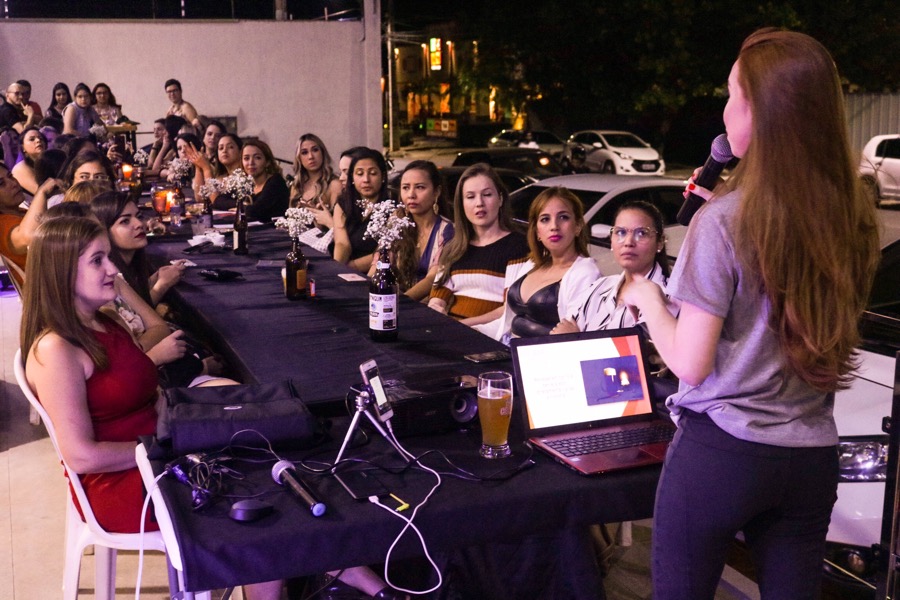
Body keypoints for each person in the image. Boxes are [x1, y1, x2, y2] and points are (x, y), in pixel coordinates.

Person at [621, 29, 881, 599]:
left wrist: (647, 299)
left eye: (733, 95)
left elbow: (691, 362)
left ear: (763, 111)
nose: (723, 110)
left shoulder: (724, 222)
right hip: (811, 456)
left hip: (723, 454)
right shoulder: (851, 215)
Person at [18, 216, 287, 600]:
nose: (113, 269)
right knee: (264, 501)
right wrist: (171, 448)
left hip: (154, 454)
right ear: (62, 273)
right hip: (124, 483)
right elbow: (81, 457)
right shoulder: (56, 350)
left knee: (273, 456)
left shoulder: (103, 321)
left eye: (109, 257)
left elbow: (152, 393)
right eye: (98, 261)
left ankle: (366, 584)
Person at [480, 186, 599, 342]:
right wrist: (467, 329)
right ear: (537, 232)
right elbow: (505, 324)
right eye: (545, 219)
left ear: (577, 226)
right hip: (506, 352)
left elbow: (576, 338)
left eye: (563, 217)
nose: (554, 226)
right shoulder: (531, 264)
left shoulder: (586, 272)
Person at [428, 163, 529, 324]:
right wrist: (436, 309)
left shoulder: (519, 246)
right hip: (453, 332)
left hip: (491, 337)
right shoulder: (454, 248)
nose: (479, 203)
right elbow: (438, 297)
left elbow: (509, 309)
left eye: (487, 194)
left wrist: (463, 326)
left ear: (500, 199)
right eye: (470, 197)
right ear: (461, 204)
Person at [553, 200, 674, 334]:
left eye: (641, 233)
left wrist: (576, 339)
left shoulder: (667, 296)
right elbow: (561, 334)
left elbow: (637, 350)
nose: (628, 242)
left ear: (660, 243)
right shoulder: (599, 287)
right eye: (620, 232)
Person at [89, 192, 185, 306]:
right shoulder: (108, 274)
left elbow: (133, 293)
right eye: (125, 221)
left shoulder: (131, 264)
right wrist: (162, 285)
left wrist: (154, 279)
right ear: (104, 230)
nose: (139, 224)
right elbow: (133, 319)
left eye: (139, 217)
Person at [381, 160, 455, 301]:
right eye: (406, 187)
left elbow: (433, 278)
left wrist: (397, 302)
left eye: (420, 187)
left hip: (426, 305)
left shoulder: (447, 231)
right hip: (392, 301)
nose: (411, 195)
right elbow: (381, 263)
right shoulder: (397, 222)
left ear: (436, 192)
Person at [332, 148, 390, 272]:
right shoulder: (343, 204)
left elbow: (384, 253)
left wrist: (349, 268)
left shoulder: (393, 209)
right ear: (352, 178)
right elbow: (342, 244)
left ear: (383, 176)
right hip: (344, 268)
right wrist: (336, 269)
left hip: (377, 272)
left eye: (373, 173)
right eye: (359, 173)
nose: (366, 180)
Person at [241, 139, 289, 223]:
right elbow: (219, 201)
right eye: (246, 158)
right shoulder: (247, 183)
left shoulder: (276, 182)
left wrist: (240, 207)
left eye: (257, 158)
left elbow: (254, 211)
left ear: (267, 162)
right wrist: (241, 206)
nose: (251, 162)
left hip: (275, 233)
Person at [11, 126, 46, 195]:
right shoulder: (20, 168)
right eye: (32, 139)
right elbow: (41, 192)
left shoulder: (49, 162)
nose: (38, 140)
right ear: (22, 147)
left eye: (41, 138)